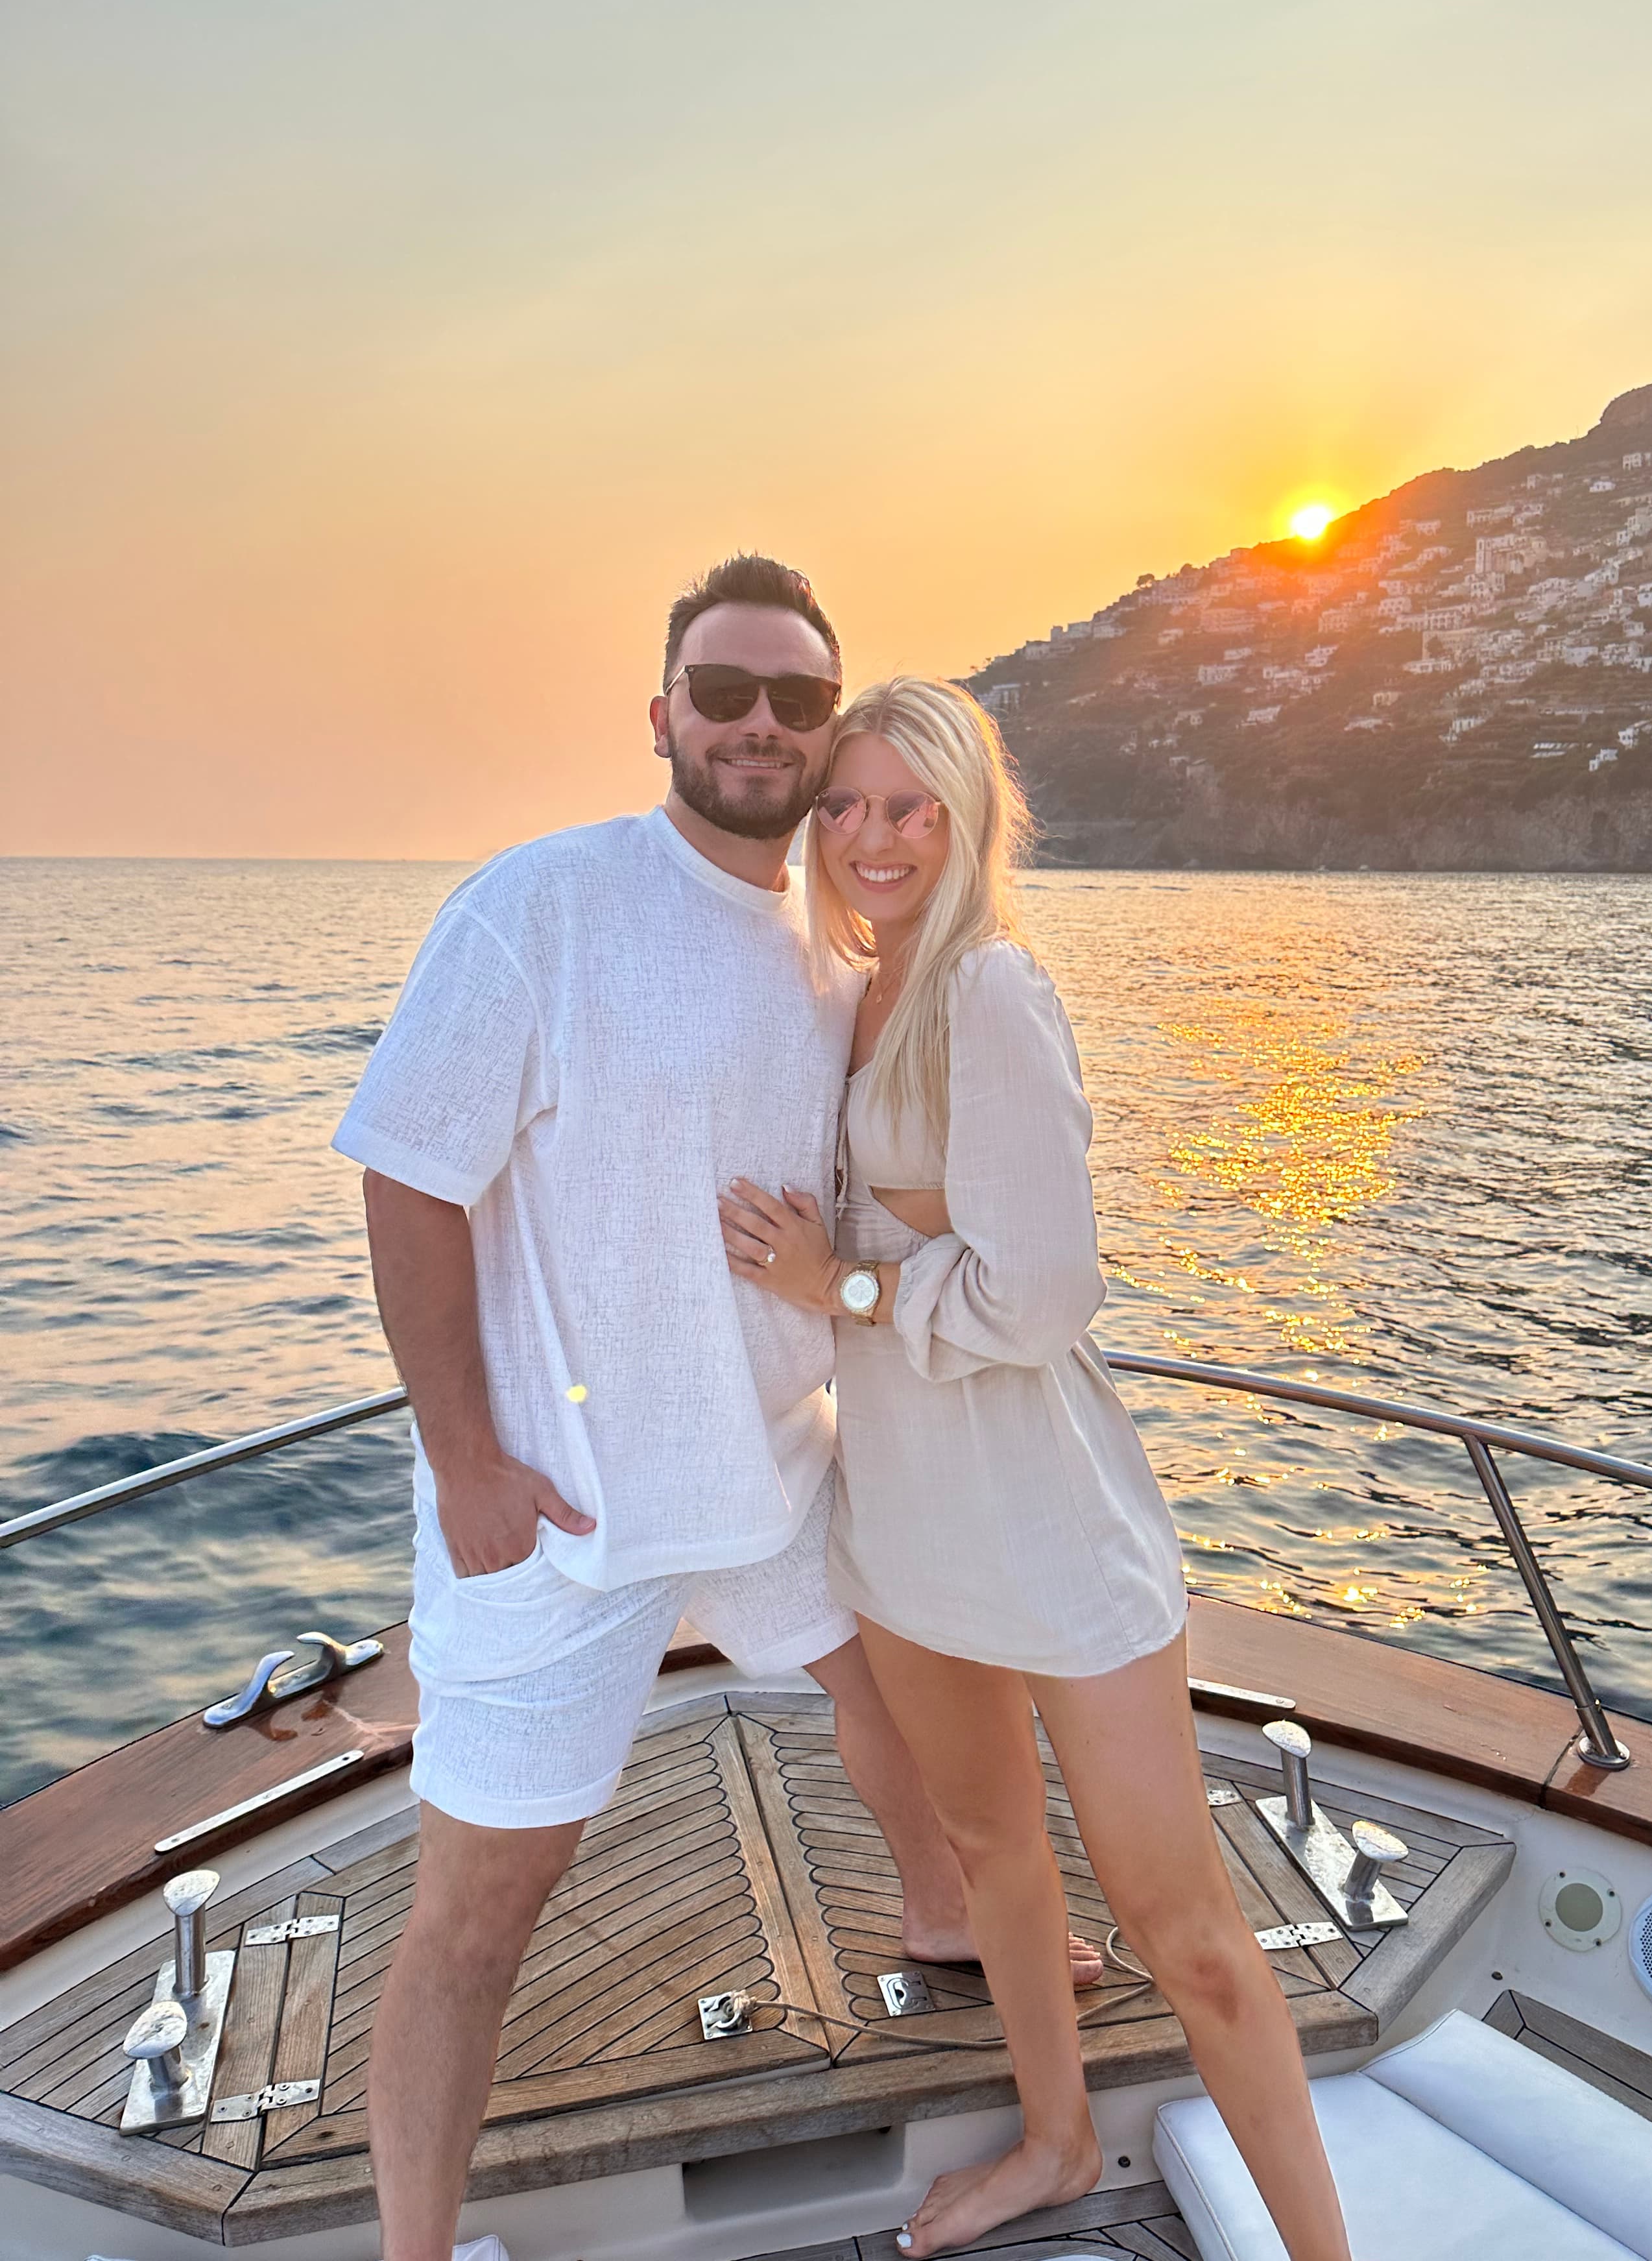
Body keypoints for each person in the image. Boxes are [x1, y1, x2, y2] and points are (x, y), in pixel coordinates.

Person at [333, 561, 1094, 2261]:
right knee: (479, 1912)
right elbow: (408, 1176)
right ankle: (415, 2250)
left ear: (828, 729)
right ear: (663, 715)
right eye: (725, 692)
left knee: (892, 1692)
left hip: (771, 1453)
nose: (760, 723)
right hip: (564, 1498)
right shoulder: (543, 905)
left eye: (796, 699)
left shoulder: (835, 945)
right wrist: (465, 1461)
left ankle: (945, 1906)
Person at [721, 675, 1355, 2261]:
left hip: (1052, 1529)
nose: (870, 835)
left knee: (1185, 1931)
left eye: (909, 807)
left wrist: (839, 1283)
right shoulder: (845, 993)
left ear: (969, 819)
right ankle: (1058, 2142)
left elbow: (1048, 1296)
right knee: (999, 1859)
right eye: (844, 804)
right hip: (903, 1523)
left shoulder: (988, 992)